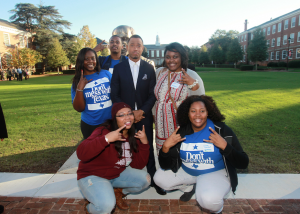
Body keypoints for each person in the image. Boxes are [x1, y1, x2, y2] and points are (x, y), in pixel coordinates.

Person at [154, 95, 249, 212]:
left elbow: (243, 163)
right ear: (187, 114)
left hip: (214, 172)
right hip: (187, 170)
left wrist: (225, 146)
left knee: (208, 200)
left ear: (208, 112)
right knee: (159, 179)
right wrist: (165, 147)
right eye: (193, 111)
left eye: (202, 111)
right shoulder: (181, 132)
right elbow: (166, 165)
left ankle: (216, 208)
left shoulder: (221, 130)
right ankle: (189, 187)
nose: (198, 115)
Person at [111, 35, 165, 195]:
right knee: (122, 148)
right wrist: (129, 114)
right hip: (123, 119)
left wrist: (142, 111)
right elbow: (114, 94)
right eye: (132, 45)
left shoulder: (149, 69)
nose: (135, 48)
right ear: (126, 47)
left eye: (139, 45)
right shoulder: (119, 68)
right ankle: (121, 178)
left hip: (144, 117)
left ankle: (154, 177)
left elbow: (153, 94)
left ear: (142, 48)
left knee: (147, 147)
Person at [77, 102, 150, 213]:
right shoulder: (103, 132)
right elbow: (81, 153)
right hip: (93, 175)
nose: (127, 117)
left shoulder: (132, 136)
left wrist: (144, 143)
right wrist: (105, 139)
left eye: (129, 113)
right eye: (121, 115)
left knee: (145, 180)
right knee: (106, 206)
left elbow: (138, 165)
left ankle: (117, 193)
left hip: (115, 174)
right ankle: (89, 208)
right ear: (114, 119)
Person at [154, 42, 205, 154]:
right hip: (160, 124)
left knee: (180, 154)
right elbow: (156, 98)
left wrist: (193, 84)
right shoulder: (159, 72)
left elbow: (202, 101)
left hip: (180, 125)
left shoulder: (191, 75)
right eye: (168, 57)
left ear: (182, 57)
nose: (171, 60)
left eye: (175, 57)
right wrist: (153, 113)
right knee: (163, 155)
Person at [71, 48, 112, 139]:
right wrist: (80, 89)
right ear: (81, 61)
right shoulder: (77, 81)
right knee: (93, 151)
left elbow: (117, 93)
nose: (91, 61)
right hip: (90, 125)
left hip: (110, 122)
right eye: (87, 59)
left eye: (93, 58)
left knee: (110, 151)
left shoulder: (106, 74)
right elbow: (79, 108)